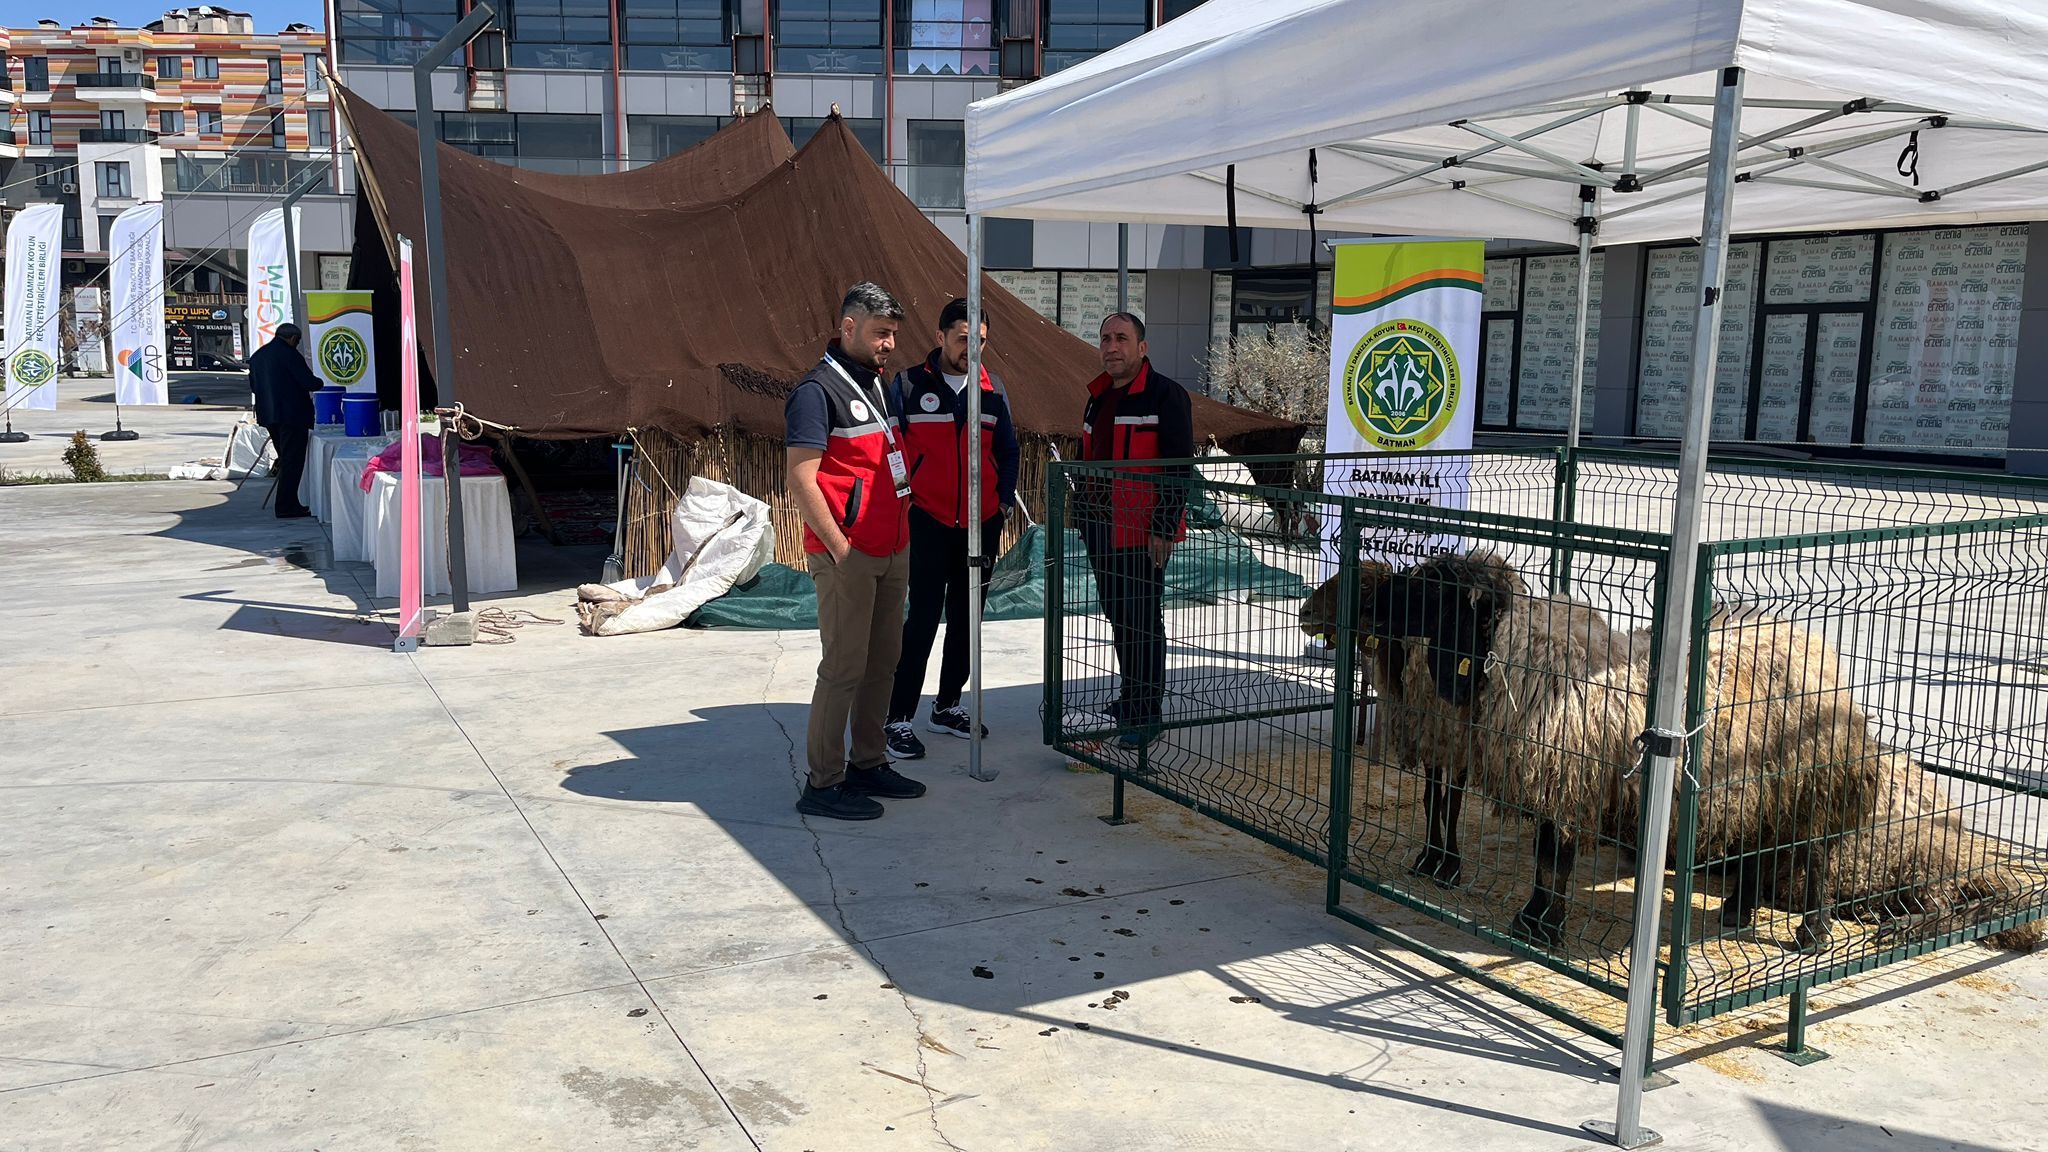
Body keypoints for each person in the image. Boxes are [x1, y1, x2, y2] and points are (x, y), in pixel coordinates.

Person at [784, 283, 928, 821]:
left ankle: (868, 763)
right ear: (848, 327)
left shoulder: (880, 385)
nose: (889, 344)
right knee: (843, 667)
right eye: (880, 333)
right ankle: (823, 783)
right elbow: (802, 478)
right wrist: (842, 549)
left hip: (892, 547)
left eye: (893, 334)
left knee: (881, 663)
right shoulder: (816, 391)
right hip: (848, 553)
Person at [884, 298, 1020, 760]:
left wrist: (1000, 505)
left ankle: (947, 706)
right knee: (920, 620)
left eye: (980, 340)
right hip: (927, 521)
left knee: (967, 621)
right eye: (964, 339)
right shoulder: (907, 384)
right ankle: (898, 717)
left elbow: (1009, 452)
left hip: (980, 527)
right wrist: (906, 503)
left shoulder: (993, 387)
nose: (972, 348)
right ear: (941, 337)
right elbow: (893, 452)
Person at [1075, 312, 1194, 750]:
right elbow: (1084, 456)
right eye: (1105, 338)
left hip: (1143, 532)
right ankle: (1130, 698)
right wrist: (1082, 516)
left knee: (1143, 619)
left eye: (1121, 338)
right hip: (1102, 527)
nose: (1111, 346)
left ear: (1142, 348)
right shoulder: (1098, 396)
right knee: (1119, 616)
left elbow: (1180, 467)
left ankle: (1147, 714)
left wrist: (1163, 526)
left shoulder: (1166, 396)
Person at [248, 323, 323, 519]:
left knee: (286, 458)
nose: (296, 345)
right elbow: (308, 382)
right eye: (297, 341)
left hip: (270, 416)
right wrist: (321, 382)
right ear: (292, 338)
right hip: (293, 416)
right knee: (293, 462)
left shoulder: (258, 356)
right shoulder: (290, 355)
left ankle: (288, 502)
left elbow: (255, 387)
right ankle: (286, 505)